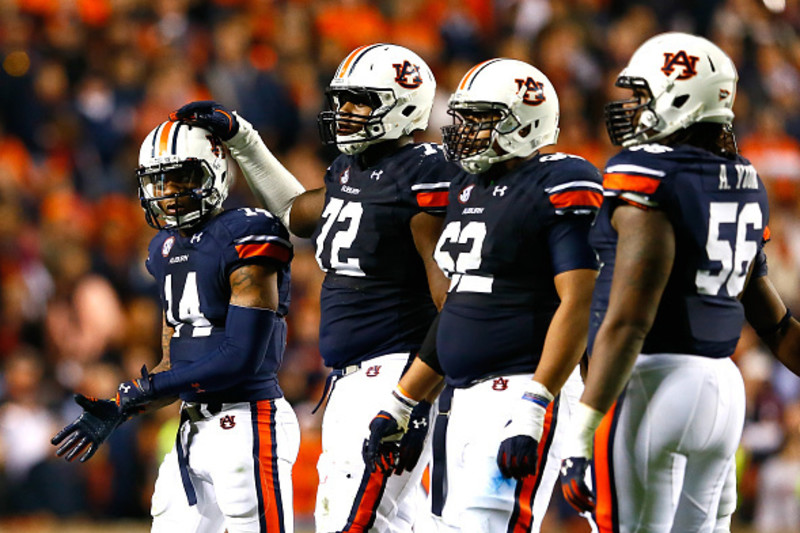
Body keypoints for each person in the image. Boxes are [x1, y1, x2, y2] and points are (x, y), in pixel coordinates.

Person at [171, 43, 458, 533]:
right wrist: (244, 140)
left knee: (350, 523)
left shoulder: (424, 169)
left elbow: (451, 299)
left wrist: (417, 397)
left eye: (359, 101)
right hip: (351, 380)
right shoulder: (352, 169)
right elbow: (296, 213)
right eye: (342, 100)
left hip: (395, 372)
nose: (343, 113)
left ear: (405, 104)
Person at [557, 32, 799, 533]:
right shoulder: (743, 179)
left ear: (682, 98)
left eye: (643, 97)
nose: (634, 109)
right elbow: (774, 322)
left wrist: (581, 429)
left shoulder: (646, 174)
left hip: (652, 381)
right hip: (724, 390)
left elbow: (629, 319)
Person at [363, 58, 602, 532]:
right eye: (464, 118)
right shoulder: (467, 187)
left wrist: (535, 406)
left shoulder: (554, 181)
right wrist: (404, 401)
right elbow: (459, 309)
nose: (465, 130)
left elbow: (580, 301)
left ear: (525, 120)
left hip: (522, 388)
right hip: (461, 396)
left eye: (481, 119)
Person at [51, 119, 300, 533]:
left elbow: (240, 358)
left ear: (215, 171)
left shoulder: (247, 232)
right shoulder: (164, 248)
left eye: (180, 178)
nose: (167, 192)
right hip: (191, 424)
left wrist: (145, 389)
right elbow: (174, 362)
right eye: (158, 180)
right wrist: (124, 405)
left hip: (247, 421)